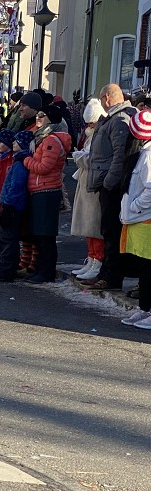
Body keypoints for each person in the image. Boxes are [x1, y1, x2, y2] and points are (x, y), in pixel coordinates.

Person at [85, 84, 138, 291]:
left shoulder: (120, 119)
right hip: (106, 181)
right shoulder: (113, 118)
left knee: (111, 231)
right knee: (107, 230)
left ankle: (111, 277)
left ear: (107, 98)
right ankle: (105, 273)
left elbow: (119, 156)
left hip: (112, 186)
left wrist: (108, 182)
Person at [21, 104, 72, 282]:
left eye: (42, 115)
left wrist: (25, 159)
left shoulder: (52, 140)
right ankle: (41, 269)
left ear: (52, 119)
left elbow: (44, 167)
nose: (38, 118)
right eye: (38, 114)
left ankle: (46, 271)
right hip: (40, 189)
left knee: (45, 234)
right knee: (39, 233)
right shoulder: (42, 138)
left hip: (47, 190)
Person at [0, 130, 34, 282]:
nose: (13, 143)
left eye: (15, 142)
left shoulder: (17, 162)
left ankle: (5, 269)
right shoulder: (4, 160)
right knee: (0, 238)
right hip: (0, 204)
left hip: (9, 206)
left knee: (7, 239)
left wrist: (7, 205)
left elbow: (15, 186)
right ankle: (2, 265)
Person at [119, 109, 151, 328]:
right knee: (144, 269)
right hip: (138, 219)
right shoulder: (143, 152)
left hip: (146, 219)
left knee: (149, 268)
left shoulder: (148, 155)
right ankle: (144, 308)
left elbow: (150, 189)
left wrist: (135, 206)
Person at [70, 98, 107, 282]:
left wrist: (78, 157)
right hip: (86, 182)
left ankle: (97, 261)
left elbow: (94, 159)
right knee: (87, 225)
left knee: (93, 225)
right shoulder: (92, 134)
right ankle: (91, 259)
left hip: (93, 184)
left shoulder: (99, 135)